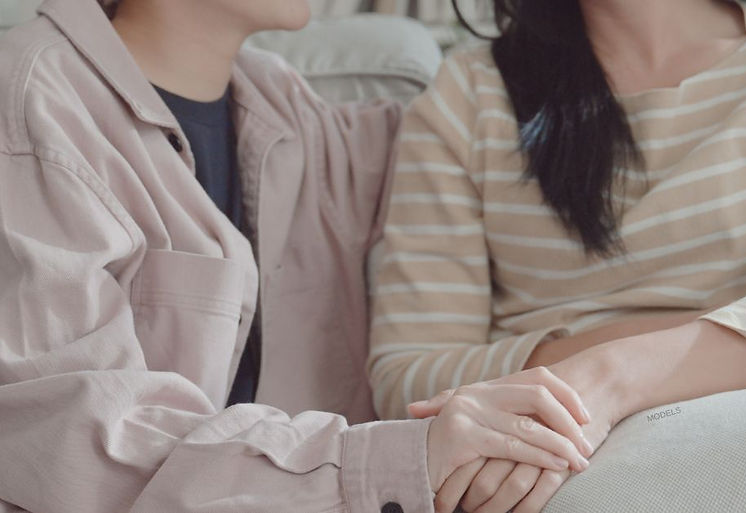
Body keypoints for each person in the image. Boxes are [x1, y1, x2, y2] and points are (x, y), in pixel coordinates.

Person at [0, 0, 596, 512]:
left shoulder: (287, 108)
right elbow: (77, 438)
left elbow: (466, 152)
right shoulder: (31, 102)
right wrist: (389, 461)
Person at [369, 0, 746, 511]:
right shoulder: (466, 96)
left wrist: (609, 375)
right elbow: (408, 375)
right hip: (558, 457)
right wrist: (588, 385)